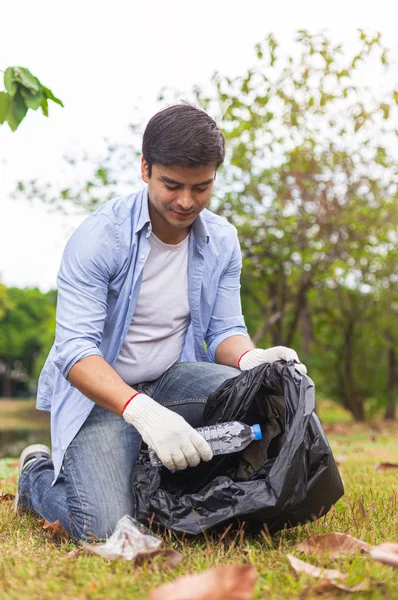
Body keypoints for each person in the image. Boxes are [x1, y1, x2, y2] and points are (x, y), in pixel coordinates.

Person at [15, 104, 307, 541]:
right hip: (102, 398)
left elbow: (224, 330)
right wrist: (141, 411)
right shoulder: (99, 238)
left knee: (265, 390)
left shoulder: (222, 240)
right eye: (172, 185)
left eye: (201, 187)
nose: (186, 202)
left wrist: (252, 359)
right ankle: (37, 476)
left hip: (174, 380)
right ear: (145, 168)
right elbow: (75, 352)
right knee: (110, 531)